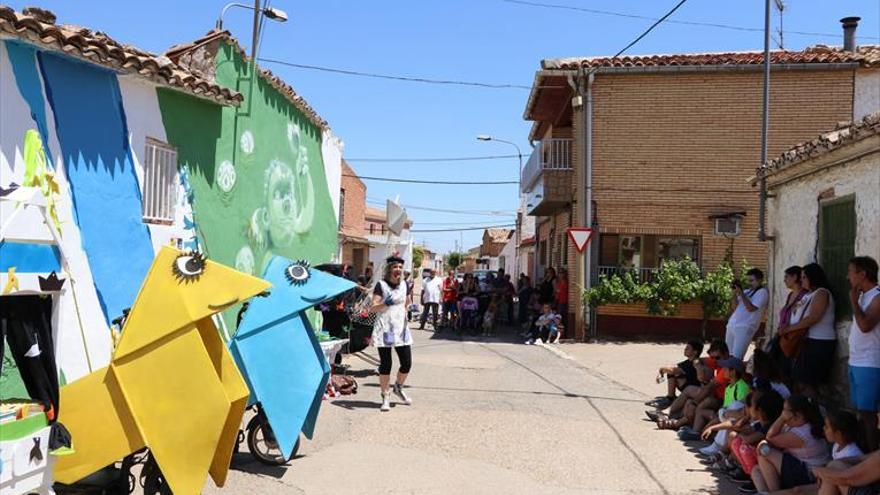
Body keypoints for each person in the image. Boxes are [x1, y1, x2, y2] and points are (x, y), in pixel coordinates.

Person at [752, 395, 830, 493]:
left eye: (785, 411)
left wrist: (781, 418)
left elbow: (770, 438)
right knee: (756, 471)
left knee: (765, 454)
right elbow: (770, 442)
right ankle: (766, 493)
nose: (783, 413)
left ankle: (774, 492)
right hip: (797, 466)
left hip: (808, 473)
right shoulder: (794, 426)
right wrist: (764, 443)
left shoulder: (804, 432)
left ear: (798, 415)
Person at [785, 263, 837, 399]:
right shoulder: (808, 294)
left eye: (804, 277)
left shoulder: (822, 293)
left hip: (820, 342)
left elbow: (813, 317)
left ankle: (815, 409)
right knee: (799, 379)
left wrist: (789, 329)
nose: (801, 280)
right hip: (808, 341)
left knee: (807, 381)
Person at [370, 256, 414, 412]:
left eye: (400, 268)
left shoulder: (405, 285)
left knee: (407, 363)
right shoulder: (381, 285)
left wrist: (410, 307)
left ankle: (398, 387)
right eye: (395, 267)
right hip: (386, 329)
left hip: (401, 329)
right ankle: (385, 395)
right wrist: (385, 303)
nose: (399, 270)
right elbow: (373, 308)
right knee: (386, 364)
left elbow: (407, 303)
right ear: (389, 269)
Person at [847, 256, 880, 453]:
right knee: (860, 411)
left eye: (851, 272)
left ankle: (872, 457)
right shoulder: (862, 296)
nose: (848, 276)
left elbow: (866, 325)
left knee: (869, 413)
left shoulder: (877, 296)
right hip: (856, 360)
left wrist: (853, 302)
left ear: (863, 274)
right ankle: (864, 451)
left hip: (871, 362)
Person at [812, 412, 880, 495]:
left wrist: (818, 471)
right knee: (834, 467)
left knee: (834, 470)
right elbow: (863, 458)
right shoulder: (837, 446)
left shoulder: (852, 451)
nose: (878, 424)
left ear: (838, 434)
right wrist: (826, 468)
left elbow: (848, 478)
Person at [728, 390, 785, 487]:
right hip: (760, 456)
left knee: (744, 447)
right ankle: (748, 473)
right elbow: (744, 430)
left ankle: (753, 478)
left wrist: (740, 434)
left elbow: (749, 439)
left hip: (768, 459)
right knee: (737, 441)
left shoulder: (769, 426)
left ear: (761, 411)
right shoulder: (760, 424)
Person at [769, 266, 808, 379]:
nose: (784, 280)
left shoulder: (804, 295)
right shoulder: (791, 295)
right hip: (783, 335)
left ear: (795, 277)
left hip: (793, 337)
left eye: (786, 277)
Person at [645, 340, 704, 410]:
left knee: (672, 373)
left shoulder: (695, 362)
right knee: (671, 372)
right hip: (688, 385)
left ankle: (670, 398)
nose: (685, 350)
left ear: (695, 352)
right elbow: (673, 366)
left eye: (687, 348)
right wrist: (661, 372)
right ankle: (670, 397)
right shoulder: (689, 361)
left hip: (693, 389)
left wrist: (661, 369)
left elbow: (672, 370)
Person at [725, 268, 769, 360]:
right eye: (748, 280)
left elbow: (751, 308)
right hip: (732, 325)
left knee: (736, 358)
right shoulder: (746, 291)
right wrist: (734, 293)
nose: (749, 283)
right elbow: (734, 307)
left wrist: (741, 294)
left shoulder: (762, 292)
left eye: (752, 280)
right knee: (727, 356)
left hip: (745, 327)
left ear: (760, 280)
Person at [555, 268, 569, 338]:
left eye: (562, 273)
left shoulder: (564, 282)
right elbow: (557, 291)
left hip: (563, 302)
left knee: (560, 319)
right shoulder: (559, 282)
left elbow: (559, 291)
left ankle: (562, 335)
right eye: (559, 273)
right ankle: (559, 334)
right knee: (559, 319)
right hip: (558, 301)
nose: (560, 274)